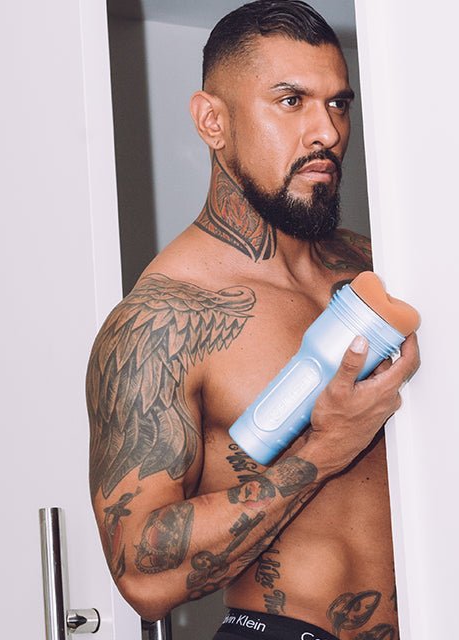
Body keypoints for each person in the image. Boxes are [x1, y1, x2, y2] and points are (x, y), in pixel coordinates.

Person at [86, 2, 420, 639]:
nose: (326, 131)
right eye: (291, 101)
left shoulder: (380, 269)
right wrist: (324, 449)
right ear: (212, 121)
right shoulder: (163, 321)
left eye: (338, 103)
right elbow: (142, 579)